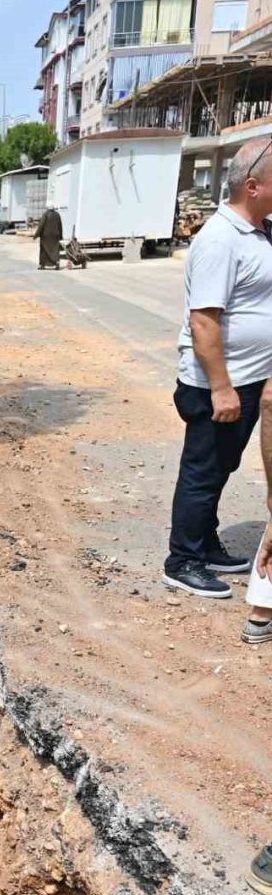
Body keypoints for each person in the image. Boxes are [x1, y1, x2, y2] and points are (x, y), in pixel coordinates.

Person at [163, 136, 272, 599]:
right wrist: (221, 388)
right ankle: (182, 559)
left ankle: (204, 544)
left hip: (246, 380)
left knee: (221, 467)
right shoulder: (220, 240)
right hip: (218, 385)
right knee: (203, 471)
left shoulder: (259, 232)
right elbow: (204, 321)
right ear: (253, 185)